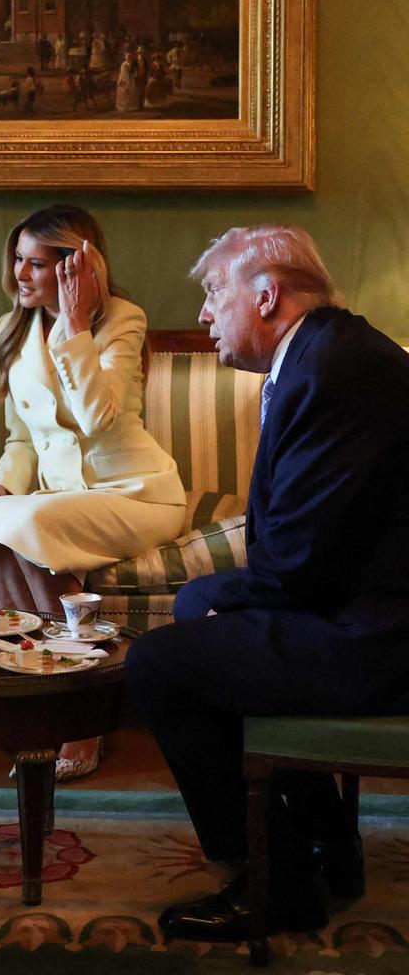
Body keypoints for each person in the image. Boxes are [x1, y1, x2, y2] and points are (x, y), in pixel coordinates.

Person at [127, 225, 409, 943]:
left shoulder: (332, 369)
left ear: (266, 295)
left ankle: (276, 887)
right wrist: (221, 601)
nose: (203, 314)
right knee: (194, 603)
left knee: (159, 665)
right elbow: (303, 545)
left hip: (381, 634)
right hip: (361, 600)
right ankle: (326, 846)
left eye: (213, 293)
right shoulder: (324, 352)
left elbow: (299, 563)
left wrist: (230, 602)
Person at [0, 206, 185, 779]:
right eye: (18, 261)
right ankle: (36, 706)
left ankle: (82, 718)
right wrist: (3, 484)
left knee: (25, 525)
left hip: (137, 495)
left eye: (36, 263)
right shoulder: (11, 328)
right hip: (58, 502)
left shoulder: (123, 319)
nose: (20, 275)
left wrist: (75, 325)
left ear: (75, 266)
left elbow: (98, 419)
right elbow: (22, 437)